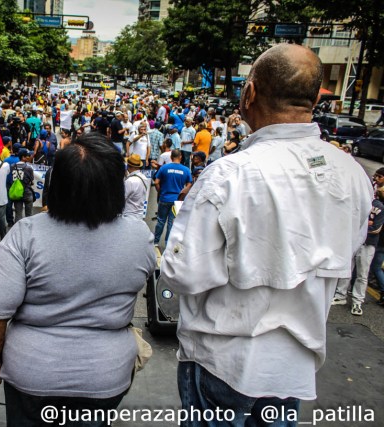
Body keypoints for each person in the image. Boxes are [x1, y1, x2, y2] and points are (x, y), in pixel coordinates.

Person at [159, 44, 373, 425]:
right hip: (293, 369)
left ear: (250, 93)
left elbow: (183, 274)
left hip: (222, 361)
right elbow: (347, 249)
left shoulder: (229, 174)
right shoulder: (353, 173)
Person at [0, 133, 156, 426]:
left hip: (32, 374)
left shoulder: (26, 233)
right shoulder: (140, 236)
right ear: (115, 186)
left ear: (56, 184)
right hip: (106, 375)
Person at [332, 186, 384, 315]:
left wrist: (358, 227)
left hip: (368, 243)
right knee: (347, 269)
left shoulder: (378, 207)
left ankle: (357, 301)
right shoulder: (355, 202)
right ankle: (340, 295)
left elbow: (376, 228)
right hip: (354, 241)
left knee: (362, 273)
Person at [153, 149, 192, 247]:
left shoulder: (164, 168)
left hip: (164, 198)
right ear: (180, 157)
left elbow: (156, 182)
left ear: (171, 157)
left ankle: (155, 242)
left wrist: (160, 191)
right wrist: (183, 192)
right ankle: (168, 244)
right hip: (177, 201)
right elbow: (189, 184)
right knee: (171, 222)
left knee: (161, 221)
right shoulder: (186, 170)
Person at [10, 148, 35, 222]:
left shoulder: (12, 166)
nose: (29, 157)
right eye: (28, 156)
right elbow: (32, 180)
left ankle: (18, 231)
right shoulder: (28, 168)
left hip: (17, 193)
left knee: (18, 215)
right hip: (27, 192)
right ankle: (28, 231)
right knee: (29, 215)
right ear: (23, 157)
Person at [123, 154, 148, 219]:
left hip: (129, 216)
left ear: (128, 165)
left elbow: (122, 198)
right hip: (139, 214)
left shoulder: (130, 181)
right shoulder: (144, 178)